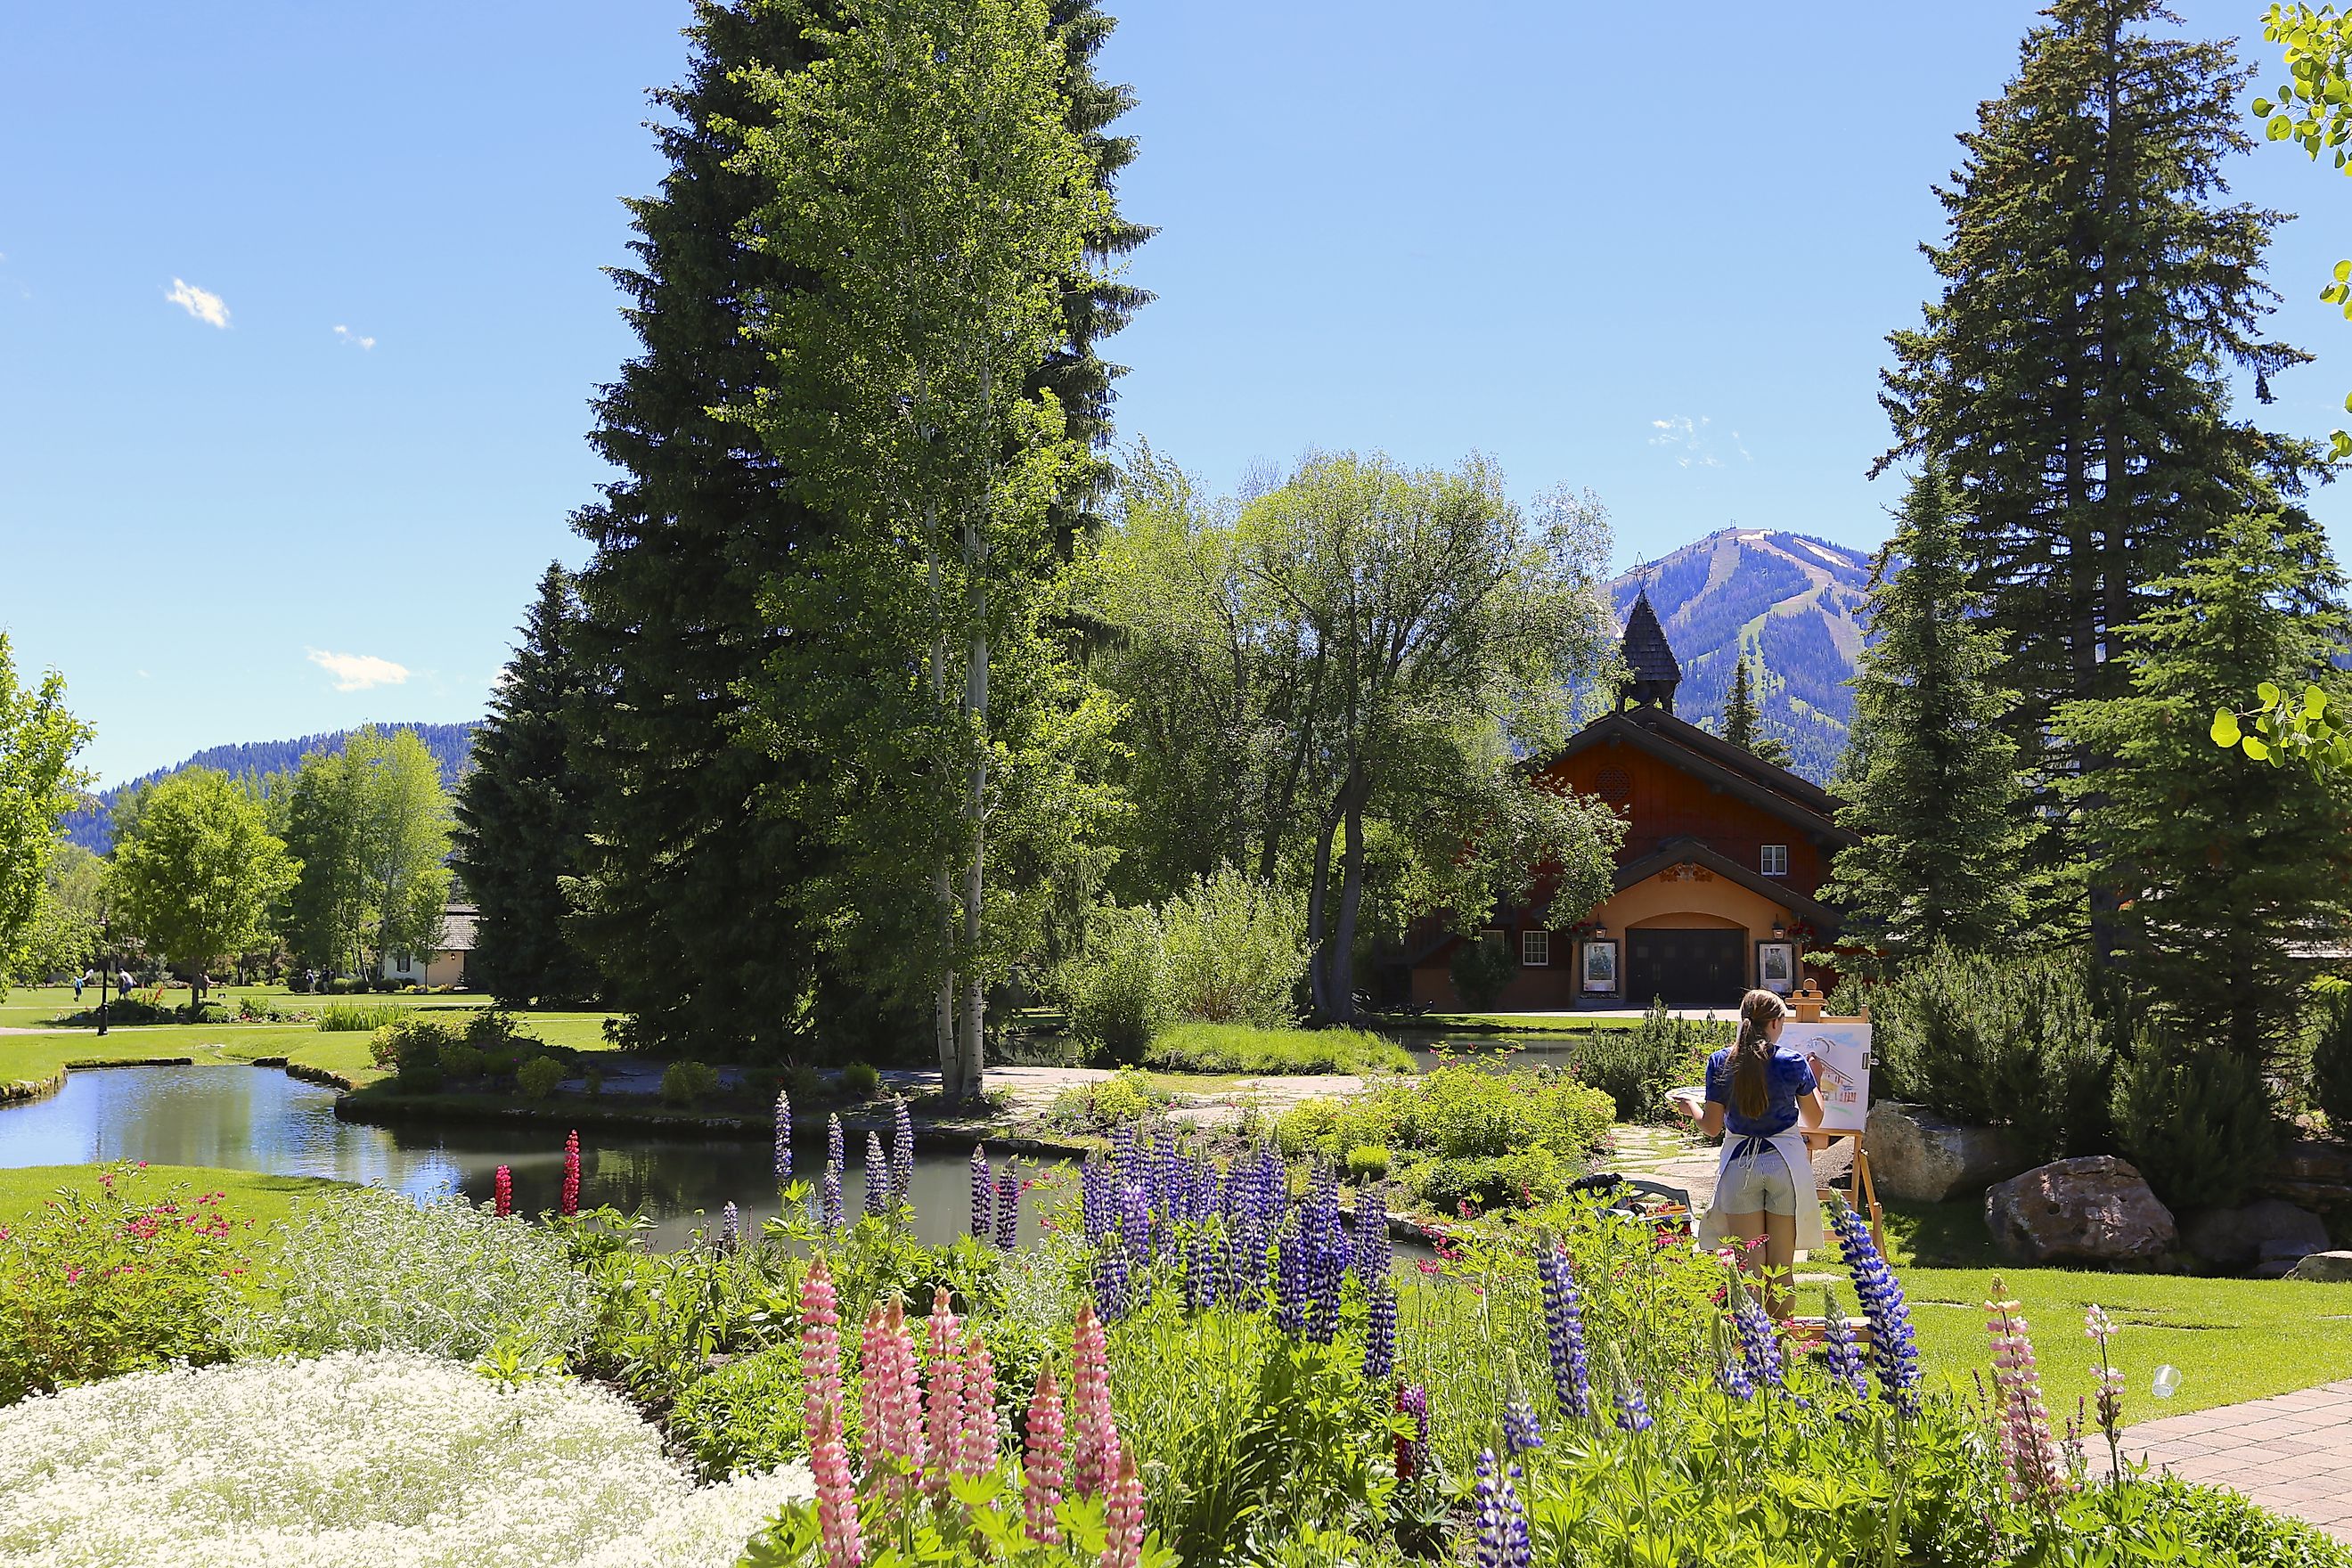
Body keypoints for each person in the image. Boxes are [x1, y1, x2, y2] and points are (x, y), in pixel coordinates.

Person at [1673, 988, 1825, 1319]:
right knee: (1781, 1269)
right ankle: (1782, 1349)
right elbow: (1814, 1119)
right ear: (1775, 1022)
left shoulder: (1721, 1061)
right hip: (1784, 1164)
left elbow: (1712, 1127)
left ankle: (1753, 1350)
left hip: (1740, 1165)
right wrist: (1815, 1080)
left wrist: (1693, 1109)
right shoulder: (1793, 1062)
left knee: (1750, 1270)